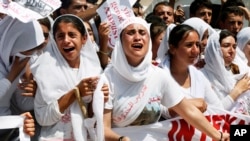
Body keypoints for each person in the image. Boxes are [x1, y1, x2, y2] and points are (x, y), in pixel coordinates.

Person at [100, 16, 229, 141]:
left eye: (142, 32)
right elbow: (102, 129)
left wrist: (218, 136)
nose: (137, 37)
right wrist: (121, 139)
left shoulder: (158, 75)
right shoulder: (108, 78)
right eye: (131, 32)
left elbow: (188, 111)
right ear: (120, 40)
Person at [32, 14, 108, 140]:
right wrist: (75, 93)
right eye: (60, 36)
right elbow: (42, 118)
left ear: (84, 39)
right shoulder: (45, 71)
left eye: (72, 35)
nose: (66, 40)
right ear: (54, 41)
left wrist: (99, 98)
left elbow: (93, 117)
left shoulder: (94, 70)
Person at [158, 24, 224, 119]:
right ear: (172, 48)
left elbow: (218, 109)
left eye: (197, 44)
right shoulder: (158, 76)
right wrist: (187, 105)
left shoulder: (198, 76)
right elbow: (155, 110)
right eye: (189, 45)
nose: (196, 51)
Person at [0, 14, 44, 140]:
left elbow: (24, 104)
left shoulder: (17, 63)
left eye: (34, 49)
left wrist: (34, 88)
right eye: (28, 49)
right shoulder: (14, 68)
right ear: (14, 41)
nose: (31, 54)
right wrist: (10, 78)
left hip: (7, 128)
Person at [201, 30, 250, 114]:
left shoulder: (237, 68)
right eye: (226, 46)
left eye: (234, 47)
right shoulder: (202, 76)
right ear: (214, 48)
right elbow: (214, 112)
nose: (232, 51)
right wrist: (237, 91)